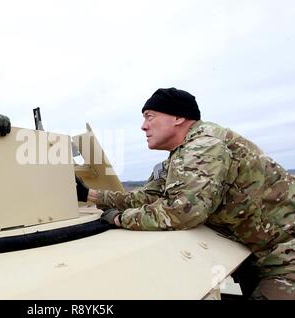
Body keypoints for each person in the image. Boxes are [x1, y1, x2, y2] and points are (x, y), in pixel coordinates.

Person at [76, 87, 295, 300]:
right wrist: (89, 195)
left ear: (179, 117)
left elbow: (182, 212)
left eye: (149, 117)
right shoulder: (180, 156)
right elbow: (145, 197)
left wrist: (118, 218)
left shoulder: (204, 144)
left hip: (285, 255)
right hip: (260, 253)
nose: (143, 126)